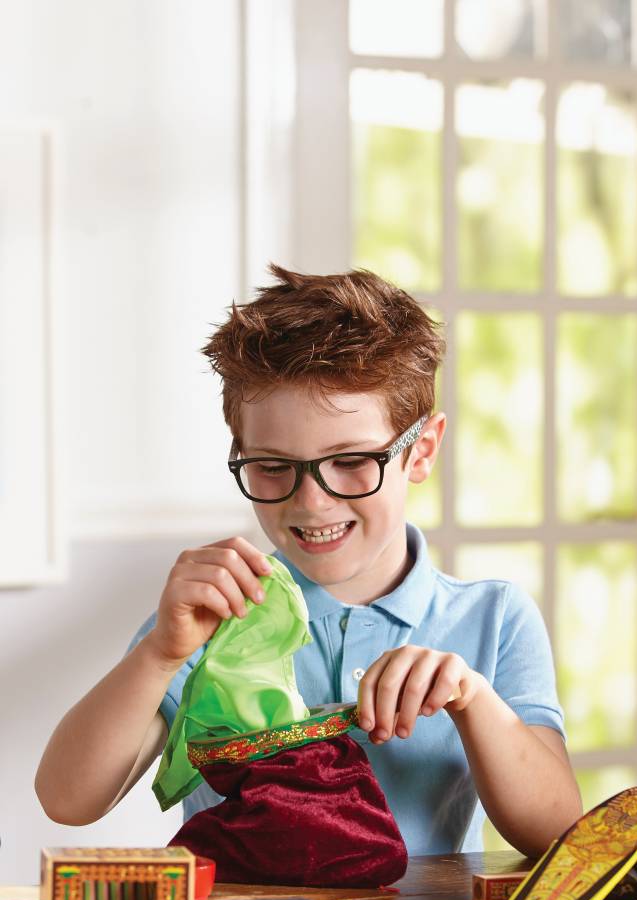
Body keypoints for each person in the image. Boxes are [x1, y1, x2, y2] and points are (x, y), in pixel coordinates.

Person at [35, 264, 582, 858]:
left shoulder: (493, 617)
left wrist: (472, 701)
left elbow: (556, 832)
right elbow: (69, 800)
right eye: (272, 466)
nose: (311, 500)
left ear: (420, 452)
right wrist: (160, 654)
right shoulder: (214, 618)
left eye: (350, 461)